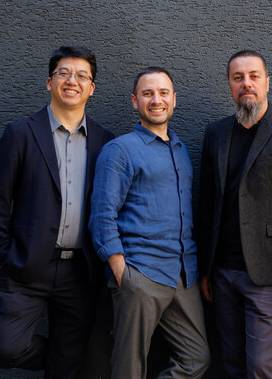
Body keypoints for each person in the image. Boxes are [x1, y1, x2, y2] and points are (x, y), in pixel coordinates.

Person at [0, 46, 115, 378]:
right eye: (64, 73)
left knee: (67, 366)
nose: (72, 81)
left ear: (91, 88)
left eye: (82, 76)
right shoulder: (20, 134)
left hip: (80, 271)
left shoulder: (106, 142)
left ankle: (65, 358)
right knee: (6, 349)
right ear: (49, 82)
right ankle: (61, 355)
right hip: (25, 267)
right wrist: (2, 256)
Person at [197, 50, 272, 379]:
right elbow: (207, 205)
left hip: (269, 274)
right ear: (229, 85)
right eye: (238, 78)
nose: (246, 83)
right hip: (222, 273)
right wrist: (205, 270)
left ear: (267, 82)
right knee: (232, 364)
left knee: (261, 368)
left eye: (253, 76)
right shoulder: (216, 133)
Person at [89, 67, 210, 379]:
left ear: (174, 99)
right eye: (148, 93)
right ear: (135, 101)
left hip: (183, 274)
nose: (157, 100)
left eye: (163, 93)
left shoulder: (181, 150)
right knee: (129, 368)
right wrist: (122, 272)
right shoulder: (120, 150)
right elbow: (102, 216)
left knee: (196, 359)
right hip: (140, 272)